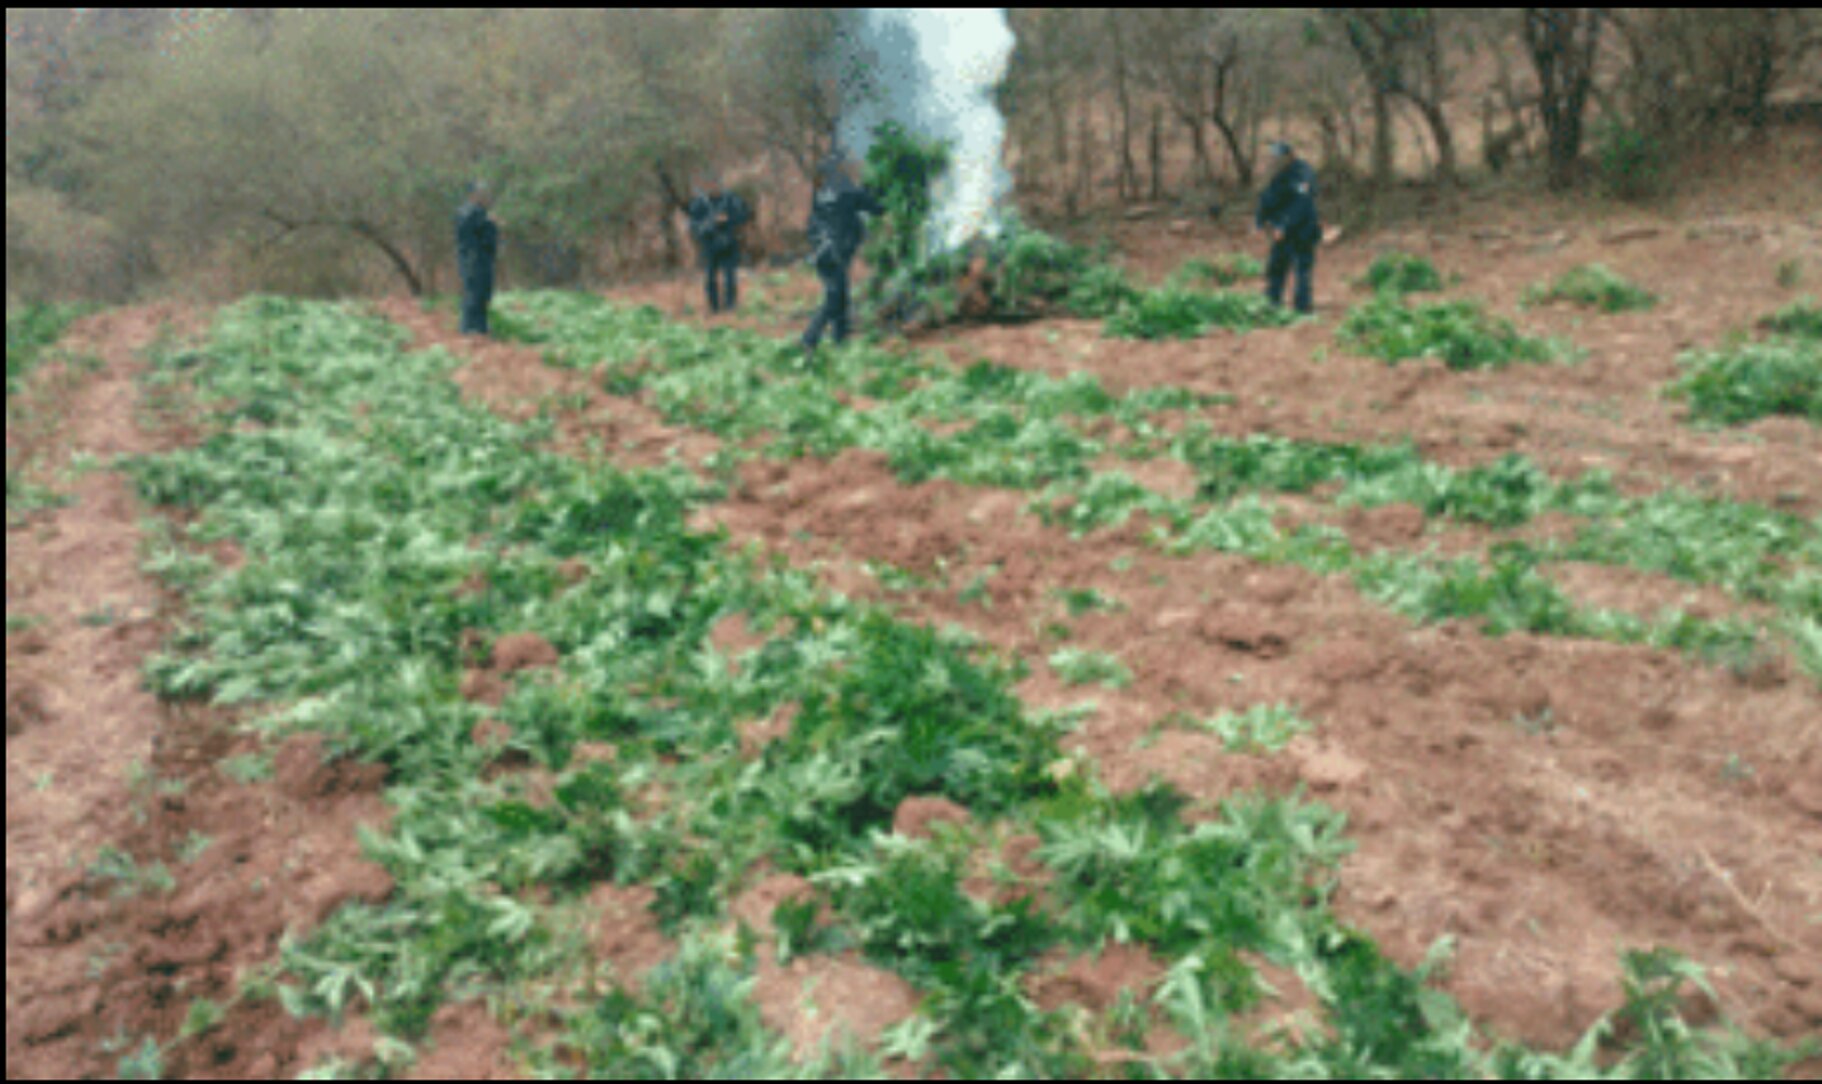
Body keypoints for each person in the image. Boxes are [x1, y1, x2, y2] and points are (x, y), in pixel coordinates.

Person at [801, 153, 884, 356]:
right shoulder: (846, 191)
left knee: (841, 294)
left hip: (823, 252)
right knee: (834, 297)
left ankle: (840, 339)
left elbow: (813, 223)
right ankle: (810, 338)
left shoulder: (821, 194)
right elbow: (875, 207)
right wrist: (879, 190)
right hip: (834, 252)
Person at [1255, 142, 1322, 315]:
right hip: (1282, 231)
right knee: (1277, 266)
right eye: (1273, 157)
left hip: (1302, 229)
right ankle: (1272, 302)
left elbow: (1301, 204)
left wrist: (1284, 226)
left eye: (1279, 157)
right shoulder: (1275, 175)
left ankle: (1302, 307)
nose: (1275, 160)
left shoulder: (1302, 173)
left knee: (1302, 269)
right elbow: (1267, 198)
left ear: (1290, 156)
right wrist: (1260, 221)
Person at [686, 175, 752, 315]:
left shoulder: (731, 200)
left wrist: (728, 220)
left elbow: (745, 216)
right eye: (709, 184)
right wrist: (710, 223)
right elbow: (694, 225)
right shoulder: (699, 203)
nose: (713, 187)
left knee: (730, 276)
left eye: (715, 184)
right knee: (710, 278)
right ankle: (713, 307)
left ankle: (730, 306)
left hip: (729, 243)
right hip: (709, 245)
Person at [455, 182, 500, 336]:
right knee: (474, 293)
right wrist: (491, 224)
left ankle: (480, 328)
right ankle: (468, 329)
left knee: (483, 293)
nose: (485, 197)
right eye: (481, 193)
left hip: (482, 259)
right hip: (474, 259)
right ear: (473, 195)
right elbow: (474, 239)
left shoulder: (479, 213)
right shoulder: (469, 213)